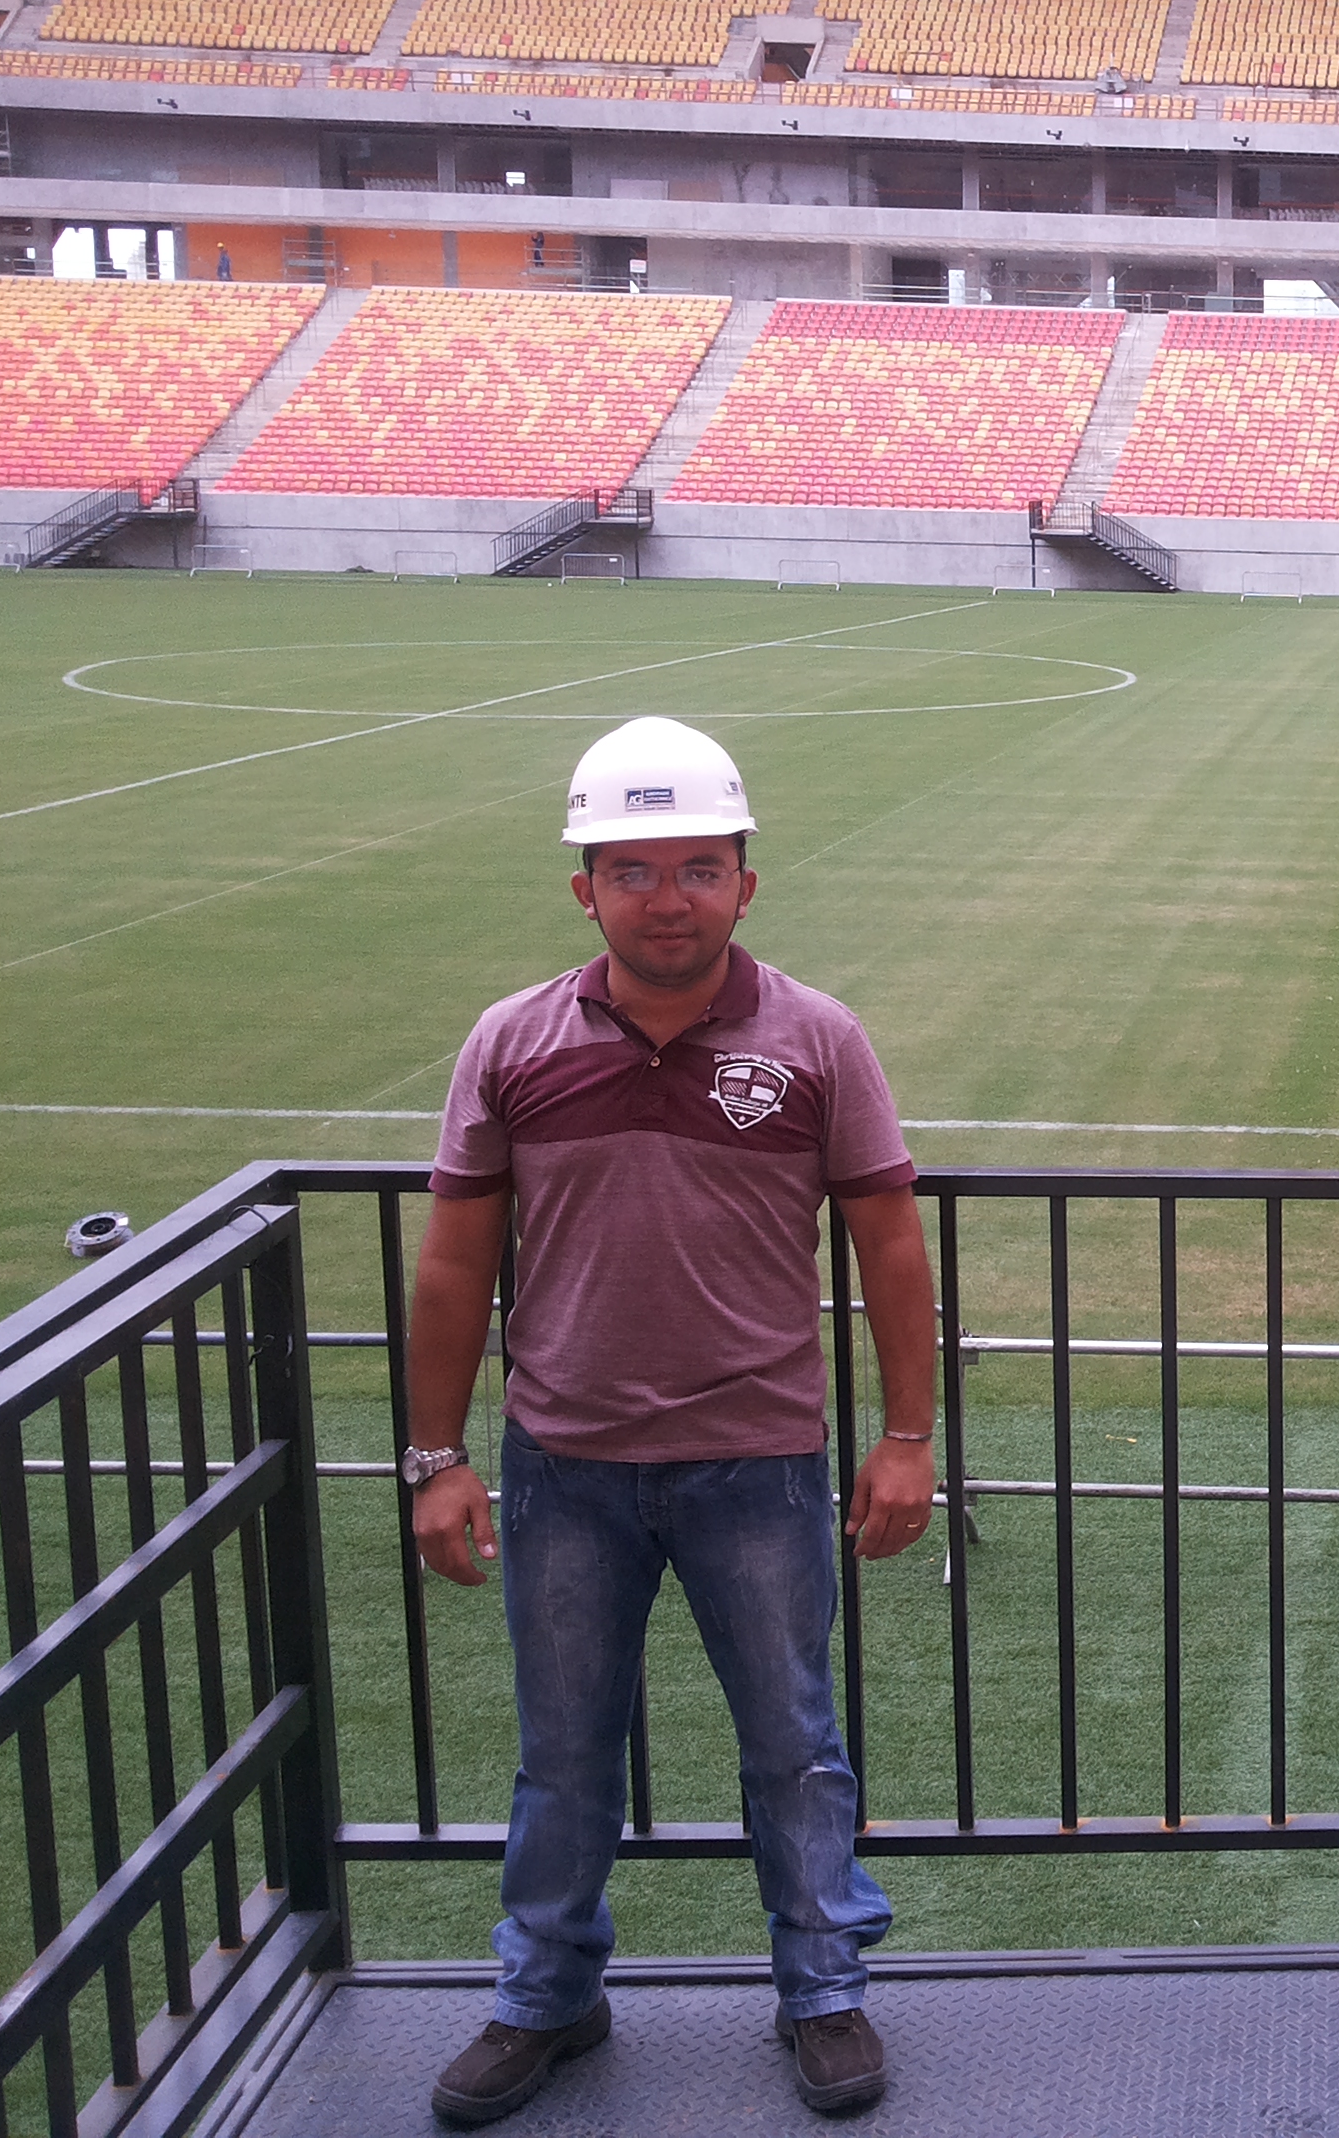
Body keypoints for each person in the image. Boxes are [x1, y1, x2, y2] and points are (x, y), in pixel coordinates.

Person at [401, 716, 939, 2126]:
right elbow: (455, 1259)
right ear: (584, 887)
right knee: (564, 1751)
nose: (668, 899)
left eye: (700, 868)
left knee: (794, 1745)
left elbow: (889, 1241)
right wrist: (436, 1456)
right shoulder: (511, 1040)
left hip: (758, 1458)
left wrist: (907, 1436)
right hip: (564, 1460)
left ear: (745, 883)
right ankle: (546, 1998)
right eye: (633, 871)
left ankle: (823, 1990)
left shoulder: (818, 1037)